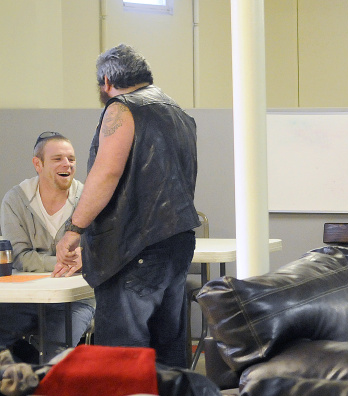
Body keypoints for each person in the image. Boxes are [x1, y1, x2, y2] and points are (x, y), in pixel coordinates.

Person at [53, 44, 199, 368]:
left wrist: (73, 229)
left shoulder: (122, 108)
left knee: (121, 362)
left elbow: (106, 173)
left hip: (133, 250)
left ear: (106, 81)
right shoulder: (177, 112)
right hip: (177, 242)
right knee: (169, 356)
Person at [0, 132, 95, 359]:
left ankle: (47, 387)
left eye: (71, 159)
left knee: (55, 351)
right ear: (38, 164)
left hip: (77, 298)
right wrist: (68, 261)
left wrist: (89, 257)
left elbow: (101, 250)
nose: (67, 165)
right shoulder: (16, 199)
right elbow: (19, 256)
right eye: (58, 159)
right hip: (27, 297)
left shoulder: (89, 198)